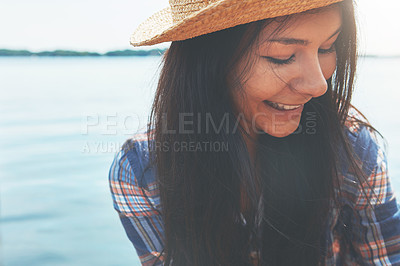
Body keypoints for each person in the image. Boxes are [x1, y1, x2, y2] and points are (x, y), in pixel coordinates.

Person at [109, 0, 400, 265]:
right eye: (282, 56)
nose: (318, 86)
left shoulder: (353, 150)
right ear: (209, 59)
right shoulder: (141, 172)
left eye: (327, 48)